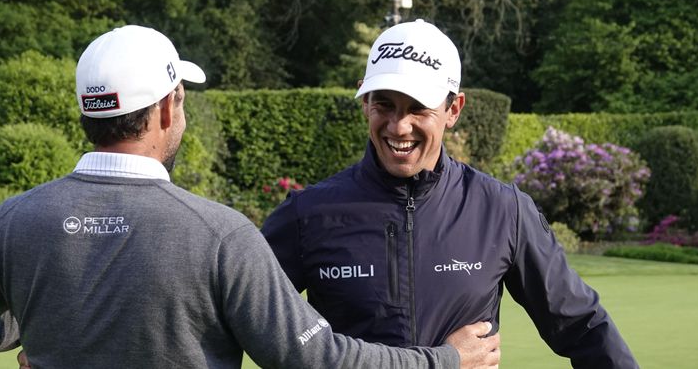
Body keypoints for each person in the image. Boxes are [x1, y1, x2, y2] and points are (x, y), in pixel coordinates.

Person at [0, 24, 501, 368]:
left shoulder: (15, 220)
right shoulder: (220, 235)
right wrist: (445, 361)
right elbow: (318, 359)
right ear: (170, 106)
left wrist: (36, 325)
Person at [261, 19, 639, 368]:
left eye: (418, 108)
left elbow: (582, 326)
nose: (399, 126)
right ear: (365, 104)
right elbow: (253, 324)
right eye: (384, 105)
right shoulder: (307, 214)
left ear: (453, 108)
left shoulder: (503, 210)